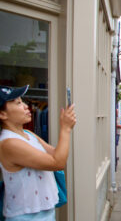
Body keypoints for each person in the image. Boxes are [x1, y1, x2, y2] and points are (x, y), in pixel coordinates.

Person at [0, 85, 76, 220]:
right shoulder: (8, 143)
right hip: (25, 216)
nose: (25, 106)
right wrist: (65, 129)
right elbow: (57, 162)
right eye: (18, 103)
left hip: (44, 212)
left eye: (22, 101)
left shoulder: (28, 134)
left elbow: (56, 154)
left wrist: (66, 126)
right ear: (2, 114)